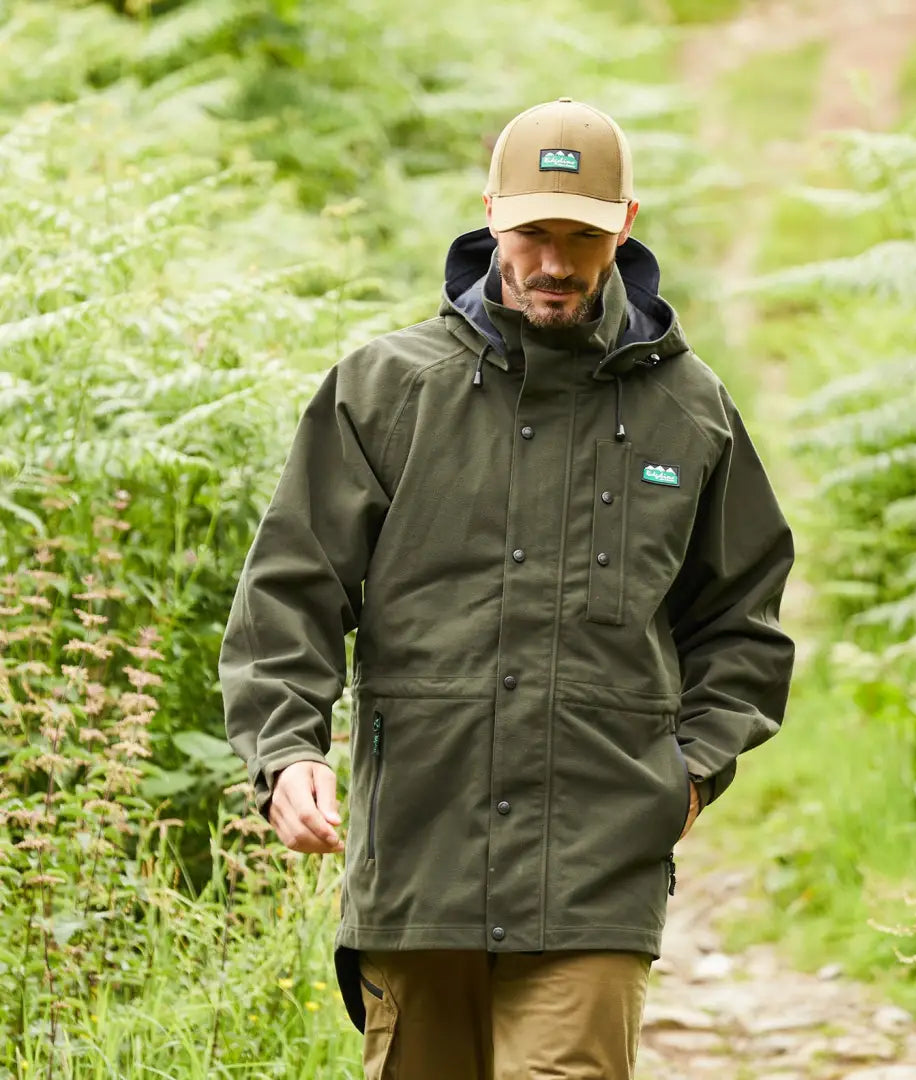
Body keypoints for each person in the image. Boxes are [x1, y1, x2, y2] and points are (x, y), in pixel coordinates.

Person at [219, 96, 795, 1079]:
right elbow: (293, 589)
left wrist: (693, 768)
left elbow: (743, 620)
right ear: (491, 215)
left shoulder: (690, 412)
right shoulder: (384, 391)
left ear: (626, 223)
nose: (556, 263)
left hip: (597, 869)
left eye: (583, 235)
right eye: (533, 232)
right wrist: (284, 751)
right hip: (417, 862)